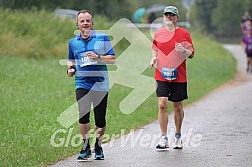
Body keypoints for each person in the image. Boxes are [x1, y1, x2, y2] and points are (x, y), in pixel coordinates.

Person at [67, 9, 115, 160]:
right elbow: (71, 59)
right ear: (77, 24)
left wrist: (98, 57)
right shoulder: (73, 42)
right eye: (82, 21)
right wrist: (70, 68)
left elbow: (112, 59)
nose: (85, 23)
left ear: (92, 23)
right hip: (82, 83)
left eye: (88, 20)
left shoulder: (102, 37)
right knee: (83, 116)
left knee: (100, 119)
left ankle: (98, 146)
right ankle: (85, 146)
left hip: (100, 84)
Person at [149, 6, 195, 150]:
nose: (169, 17)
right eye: (166, 15)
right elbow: (155, 48)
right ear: (163, 17)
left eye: (172, 15)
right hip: (161, 74)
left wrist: (183, 50)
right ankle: (163, 137)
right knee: (162, 104)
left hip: (178, 75)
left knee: (177, 106)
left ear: (177, 18)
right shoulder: (158, 34)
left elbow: (192, 54)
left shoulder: (184, 34)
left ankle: (178, 135)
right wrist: (154, 59)